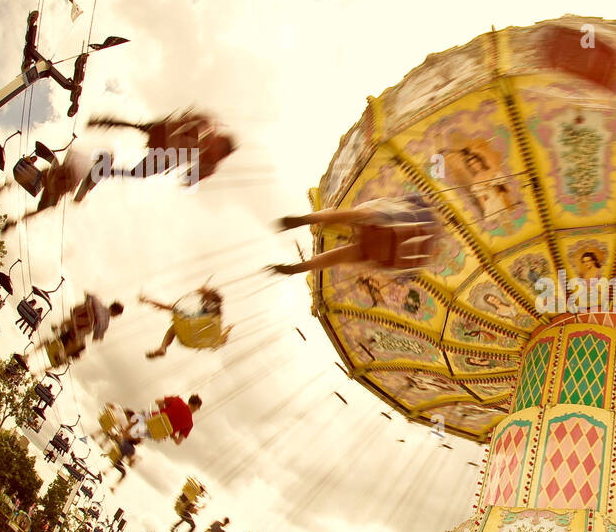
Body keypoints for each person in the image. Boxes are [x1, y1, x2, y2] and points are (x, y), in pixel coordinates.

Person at [270, 196, 441, 277]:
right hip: (390, 251)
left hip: (392, 227)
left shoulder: (423, 211)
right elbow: (410, 268)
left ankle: (307, 219)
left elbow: (408, 203)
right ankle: (300, 267)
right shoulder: (429, 247)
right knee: (344, 255)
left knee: (354, 216)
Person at [86, 111, 237, 188]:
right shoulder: (208, 130)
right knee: (138, 127)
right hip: (165, 137)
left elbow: (190, 176)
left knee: (138, 172)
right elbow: (192, 120)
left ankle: (104, 170)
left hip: (164, 153)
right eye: (218, 145)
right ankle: (103, 123)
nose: (215, 148)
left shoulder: (209, 161)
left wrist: (196, 176)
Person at [142, 287, 232, 358]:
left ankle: (163, 347)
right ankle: (162, 348)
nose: (204, 301)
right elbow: (220, 340)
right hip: (193, 339)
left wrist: (148, 301)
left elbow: (170, 307)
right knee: (175, 325)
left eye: (206, 299)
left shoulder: (214, 313)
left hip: (193, 336)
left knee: (175, 324)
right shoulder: (208, 314)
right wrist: (227, 332)